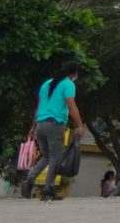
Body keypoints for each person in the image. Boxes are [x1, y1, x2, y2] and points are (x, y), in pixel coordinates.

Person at [26, 59, 90, 203]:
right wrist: (80, 125)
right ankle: (48, 190)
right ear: (74, 74)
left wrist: (33, 127)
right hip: (54, 124)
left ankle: (29, 179)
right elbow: (72, 106)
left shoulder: (47, 84)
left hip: (40, 125)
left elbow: (38, 107)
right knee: (56, 157)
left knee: (46, 157)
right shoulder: (68, 84)